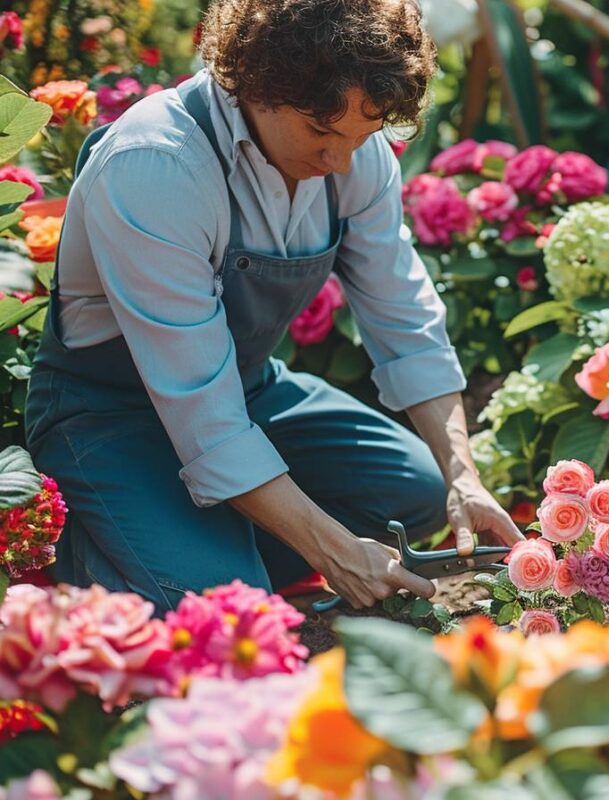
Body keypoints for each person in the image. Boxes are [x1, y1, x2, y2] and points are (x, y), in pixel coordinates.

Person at [24, 0, 523, 615]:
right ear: (259, 85)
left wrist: (463, 476)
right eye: (321, 133)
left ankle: (207, 539)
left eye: (362, 135)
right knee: (227, 615)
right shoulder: (156, 164)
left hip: (246, 391)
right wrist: (330, 547)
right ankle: (109, 551)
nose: (341, 161)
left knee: (415, 492)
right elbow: (204, 417)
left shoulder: (352, 149)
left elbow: (406, 320)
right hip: (108, 416)